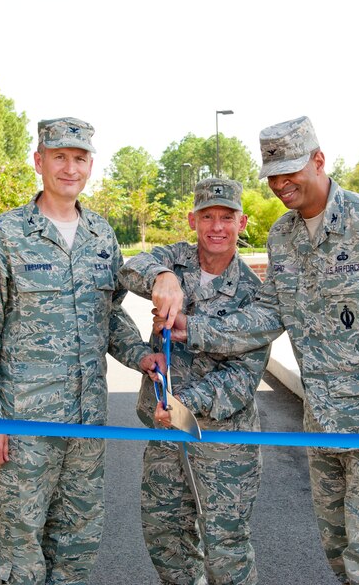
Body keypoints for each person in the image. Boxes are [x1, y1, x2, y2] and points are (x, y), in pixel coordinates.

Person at [154, 116, 359, 585]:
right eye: (273, 176)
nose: (282, 184)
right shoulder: (283, 236)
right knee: (340, 547)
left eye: (291, 171)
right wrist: (191, 329)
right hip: (322, 421)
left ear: (319, 161)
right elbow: (267, 314)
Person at [0, 117, 163, 585]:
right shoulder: (5, 235)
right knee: (20, 552)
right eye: (60, 156)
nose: (70, 167)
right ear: (39, 161)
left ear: (91, 165)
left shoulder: (101, 236)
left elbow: (108, 316)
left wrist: (141, 356)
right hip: (23, 426)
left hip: (87, 425)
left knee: (78, 547)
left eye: (80, 158)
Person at [118, 178, 270, 585]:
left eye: (226, 217)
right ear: (193, 220)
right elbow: (130, 267)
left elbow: (242, 377)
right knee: (166, 538)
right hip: (167, 437)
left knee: (226, 549)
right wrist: (162, 277)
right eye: (207, 216)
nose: (216, 227)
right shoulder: (174, 260)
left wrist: (183, 402)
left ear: (243, 222)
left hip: (224, 440)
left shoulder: (254, 295)